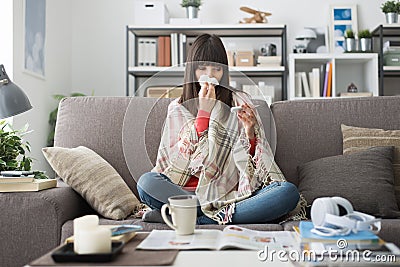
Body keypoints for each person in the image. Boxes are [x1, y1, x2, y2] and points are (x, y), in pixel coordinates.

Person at [137, 34, 306, 225]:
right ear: (192, 70)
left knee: (287, 192)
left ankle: (190, 218)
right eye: (202, 68)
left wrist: (250, 134)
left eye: (216, 68)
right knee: (146, 183)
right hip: (186, 194)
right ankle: (200, 214)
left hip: (232, 195)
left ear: (224, 71)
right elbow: (176, 162)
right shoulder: (178, 108)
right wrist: (204, 113)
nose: (210, 74)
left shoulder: (240, 101)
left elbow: (254, 167)